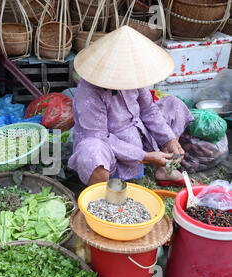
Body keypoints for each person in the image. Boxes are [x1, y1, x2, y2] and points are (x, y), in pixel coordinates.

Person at [69, 26, 194, 187]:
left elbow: (148, 109)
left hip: (138, 130)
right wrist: (145, 155)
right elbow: (100, 137)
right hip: (110, 144)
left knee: (173, 104)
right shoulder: (89, 92)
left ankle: (164, 169)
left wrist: (168, 139)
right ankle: (100, 190)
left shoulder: (133, 74)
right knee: (92, 152)